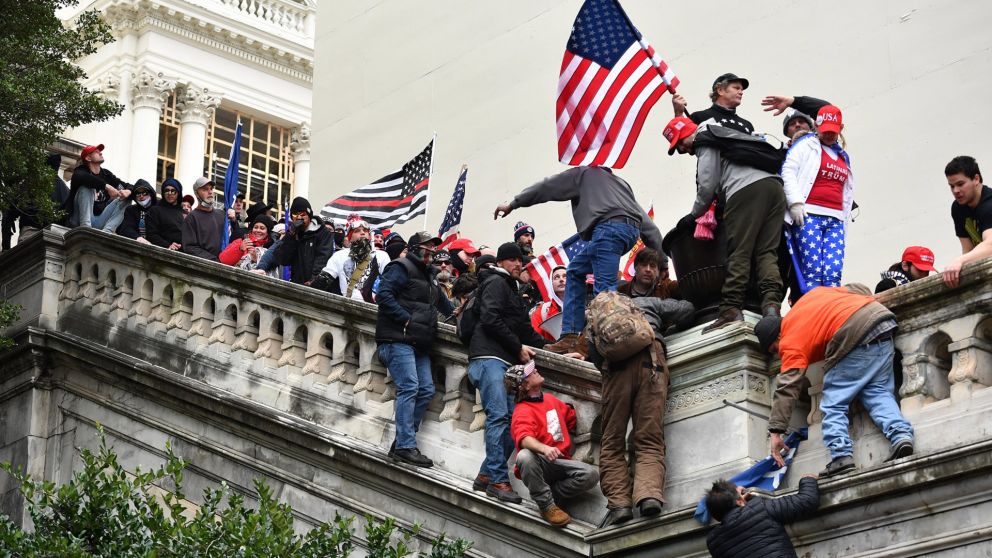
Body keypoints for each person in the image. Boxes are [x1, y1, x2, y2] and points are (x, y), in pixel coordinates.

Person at [495, 166, 662, 354]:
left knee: (604, 293)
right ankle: (570, 335)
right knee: (574, 270)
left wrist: (514, 203)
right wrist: (663, 261)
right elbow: (649, 228)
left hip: (607, 230)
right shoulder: (621, 184)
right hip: (628, 233)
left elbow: (548, 187)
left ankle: (598, 343)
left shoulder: (584, 174)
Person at [755, 284, 915, 478]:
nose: (778, 354)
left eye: (774, 349)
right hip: (882, 323)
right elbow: (860, 289)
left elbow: (788, 386)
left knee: (832, 404)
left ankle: (841, 456)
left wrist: (775, 431)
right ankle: (901, 436)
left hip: (854, 335)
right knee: (877, 391)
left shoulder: (789, 339)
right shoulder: (810, 298)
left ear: (778, 336)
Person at [665, 116, 786, 332]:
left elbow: (707, 184)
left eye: (679, 144)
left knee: (739, 251)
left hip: (746, 189)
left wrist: (694, 215)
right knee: (767, 253)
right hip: (774, 187)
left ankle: (730, 308)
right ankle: (771, 306)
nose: (683, 150)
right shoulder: (726, 133)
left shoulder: (704, 139)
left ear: (686, 134)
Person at [469, 242, 547, 503]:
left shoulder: (512, 288)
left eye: (520, 260)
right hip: (488, 357)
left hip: (503, 362)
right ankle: (499, 482)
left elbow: (525, 330)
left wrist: (554, 350)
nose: (518, 264)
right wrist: (518, 347)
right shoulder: (496, 282)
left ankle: (485, 476)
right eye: (512, 259)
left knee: (512, 421)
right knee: (500, 417)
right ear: (501, 262)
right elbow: (490, 318)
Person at [375, 232, 455, 467]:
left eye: (434, 246)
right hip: (397, 339)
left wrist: (460, 315)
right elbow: (383, 295)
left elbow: (444, 304)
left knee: (426, 390)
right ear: (414, 248)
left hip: (418, 341)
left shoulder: (429, 275)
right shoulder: (400, 267)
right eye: (428, 246)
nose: (432, 250)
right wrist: (405, 319)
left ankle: (402, 441)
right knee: (410, 387)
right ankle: (406, 446)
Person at [506, 362, 600, 527]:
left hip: (562, 463)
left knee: (591, 474)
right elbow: (524, 439)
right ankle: (546, 505)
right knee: (524, 456)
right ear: (525, 386)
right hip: (542, 464)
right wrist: (545, 448)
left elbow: (572, 418)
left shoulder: (550, 399)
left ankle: (552, 493)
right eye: (530, 373)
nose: (535, 370)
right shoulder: (522, 411)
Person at [778, 105, 854, 290]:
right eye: (825, 130)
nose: (829, 135)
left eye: (833, 131)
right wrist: (795, 202)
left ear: (841, 129)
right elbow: (788, 170)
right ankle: (817, 310)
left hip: (835, 218)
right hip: (808, 215)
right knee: (812, 271)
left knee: (833, 271)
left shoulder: (842, 155)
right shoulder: (805, 145)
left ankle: (832, 310)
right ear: (817, 126)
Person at [705, 476, 820, 558]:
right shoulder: (761, 508)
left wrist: (740, 500)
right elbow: (808, 501)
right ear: (739, 502)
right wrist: (808, 479)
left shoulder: (714, 543)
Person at [943, 155, 992, 287]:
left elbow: (990, 245)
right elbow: (968, 249)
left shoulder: (989, 204)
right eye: (951, 186)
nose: (956, 191)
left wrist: (959, 261)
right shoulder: (958, 208)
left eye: (960, 184)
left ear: (976, 179)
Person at [321, 217, 389, 302]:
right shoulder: (339, 256)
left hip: (373, 308)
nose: (362, 233)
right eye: (357, 231)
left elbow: (390, 283)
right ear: (350, 238)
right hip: (347, 306)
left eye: (365, 230)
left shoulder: (381, 256)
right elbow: (324, 279)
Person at [68, 144, 131, 231]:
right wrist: (107, 187)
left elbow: (126, 185)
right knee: (86, 188)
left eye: (100, 151)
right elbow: (81, 177)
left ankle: (107, 232)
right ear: (88, 158)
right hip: (77, 220)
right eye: (96, 152)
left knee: (126, 198)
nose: (100, 153)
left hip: (97, 221)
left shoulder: (106, 174)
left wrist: (129, 191)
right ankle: (85, 229)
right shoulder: (81, 171)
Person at [274, 197, 335, 286]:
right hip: (296, 285)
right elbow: (283, 259)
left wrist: (314, 281)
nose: (299, 217)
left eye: (302, 214)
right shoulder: (292, 234)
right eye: (295, 215)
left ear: (309, 215)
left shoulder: (322, 233)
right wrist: (291, 235)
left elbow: (323, 258)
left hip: (316, 287)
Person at [673, 73, 754, 134]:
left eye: (742, 89)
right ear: (720, 90)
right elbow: (681, 146)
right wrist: (679, 114)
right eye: (736, 88)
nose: (741, 92)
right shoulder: (699, 117)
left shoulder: (748, 125)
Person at [181, 177, 226, 261]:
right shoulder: (191, 218)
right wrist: (215, 261)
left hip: (224, 265)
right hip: (204, 268)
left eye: (211, 189)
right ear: (196, 194)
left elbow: (230, 237)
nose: (210, 192)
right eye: (205, 189)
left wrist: (234, 221)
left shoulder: (221, 214)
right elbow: (190, 247)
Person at [146, 178, 184, 251]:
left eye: (173, 191)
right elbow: (151, 234)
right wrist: (167, 245)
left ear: (178, 193)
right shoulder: (155, 210)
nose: (169, 193)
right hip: (163, 252)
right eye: (166, 190)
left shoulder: (184, 213)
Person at [531, 265, 566, 342]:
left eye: (565, 276)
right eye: (556, 277)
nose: (561, 279)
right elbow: (535, 336)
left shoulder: (582, 308)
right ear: (551, 283)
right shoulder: (541, 311)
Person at [116, 179, 157, 244]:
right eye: (138, 193)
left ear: (151, 193)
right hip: (136, 246)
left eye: (145, 193)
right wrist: (138, 238)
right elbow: (126, 229)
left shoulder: (159, 209)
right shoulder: (131, 210)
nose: (141, 196)